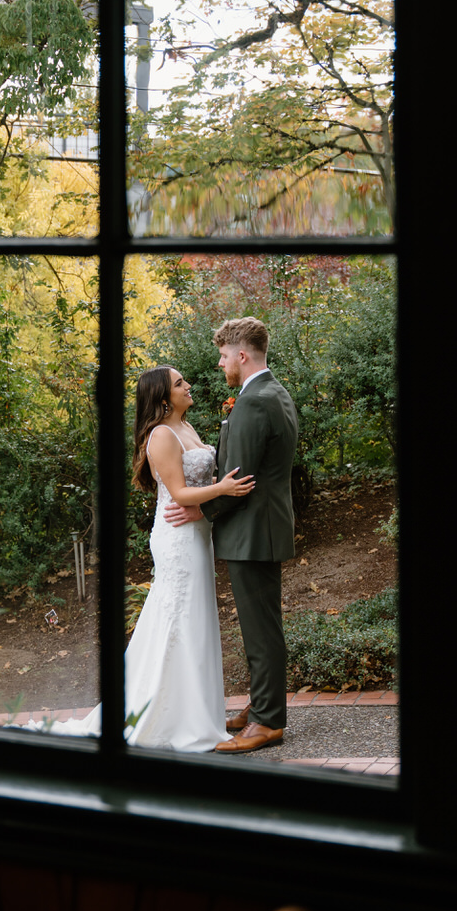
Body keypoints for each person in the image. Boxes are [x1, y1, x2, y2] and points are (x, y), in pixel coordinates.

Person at [28, 365, 253, 750]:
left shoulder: (186, 427)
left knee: (193, 620)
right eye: (180, 383)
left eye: (185, 379)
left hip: (199, 536)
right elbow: (180, 494)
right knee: (179, 620)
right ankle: (173, 718)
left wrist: (217, 493)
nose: (188, 385)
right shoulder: (162, 436)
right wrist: (224, 489)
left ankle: (196, 712)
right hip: (178, 539)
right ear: (162, 398)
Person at [165, 317, 298, 753]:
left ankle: (267, 722)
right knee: (263, 625)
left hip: (252, 530)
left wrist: (199, 509)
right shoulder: (272, 392)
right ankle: (261, 707)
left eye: (224, 356)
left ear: (242, 356)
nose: (221, 364)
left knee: (261, 630)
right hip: (263, 526)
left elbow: (239, 481)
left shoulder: (254, 402)